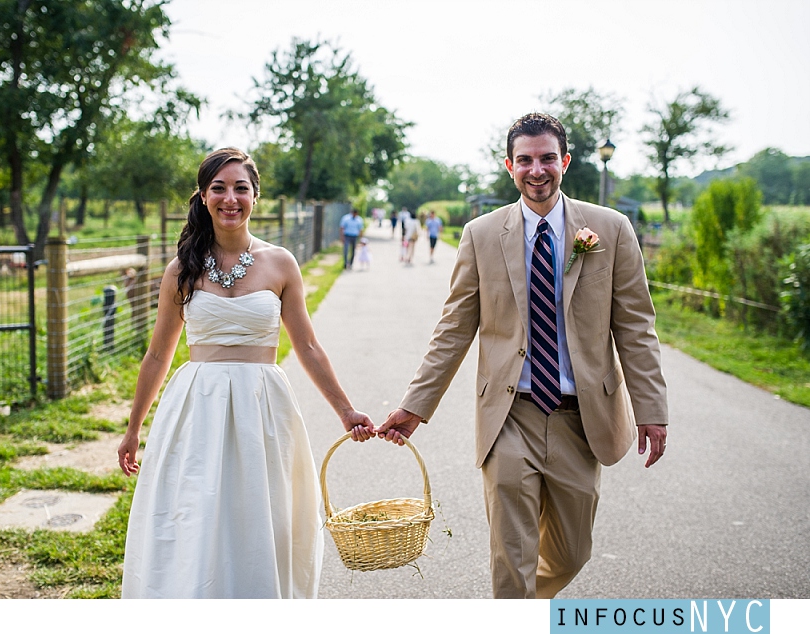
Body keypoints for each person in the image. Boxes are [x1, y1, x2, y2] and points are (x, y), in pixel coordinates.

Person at [377, 113, 668, 599]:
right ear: (509, 166)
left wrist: (652, 411)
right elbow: (454, 327)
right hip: (510, 414)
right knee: (511, 557)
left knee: (573, 552)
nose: (538, 170)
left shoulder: (610, 229)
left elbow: (636, 327)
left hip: (581, 417)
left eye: (548, 158)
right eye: (526, 160)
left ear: (565, 162)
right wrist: (415, 405)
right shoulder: (481, 234)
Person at [118, 147, 375, 599]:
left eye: (241, 188)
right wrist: (134, 428)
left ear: (256, 196)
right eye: (219, 188)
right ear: (202, 196)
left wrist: (345, 409)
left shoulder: (280, 263)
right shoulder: (182, 268)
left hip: (263, 406)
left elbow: (308, 345)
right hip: (198, 407)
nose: (230, 198)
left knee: (263, 515)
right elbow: (159, 354)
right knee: (197, 515)